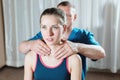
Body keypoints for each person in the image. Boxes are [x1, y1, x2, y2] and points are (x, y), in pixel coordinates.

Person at [20, 1, 105, 80]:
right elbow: (22, 47)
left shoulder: (83, 35)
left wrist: (77, 47)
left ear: (74, 17)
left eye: (67, 15)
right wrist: (30, 44)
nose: (63, 17)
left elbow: (101, 53)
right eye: (60, 13)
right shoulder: (45, 34)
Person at [24, 7, 82, 80]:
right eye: (44, 27)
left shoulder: (74, 60)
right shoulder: (30, 57)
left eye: (54, 27)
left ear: (64, 28)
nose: (49, 33)